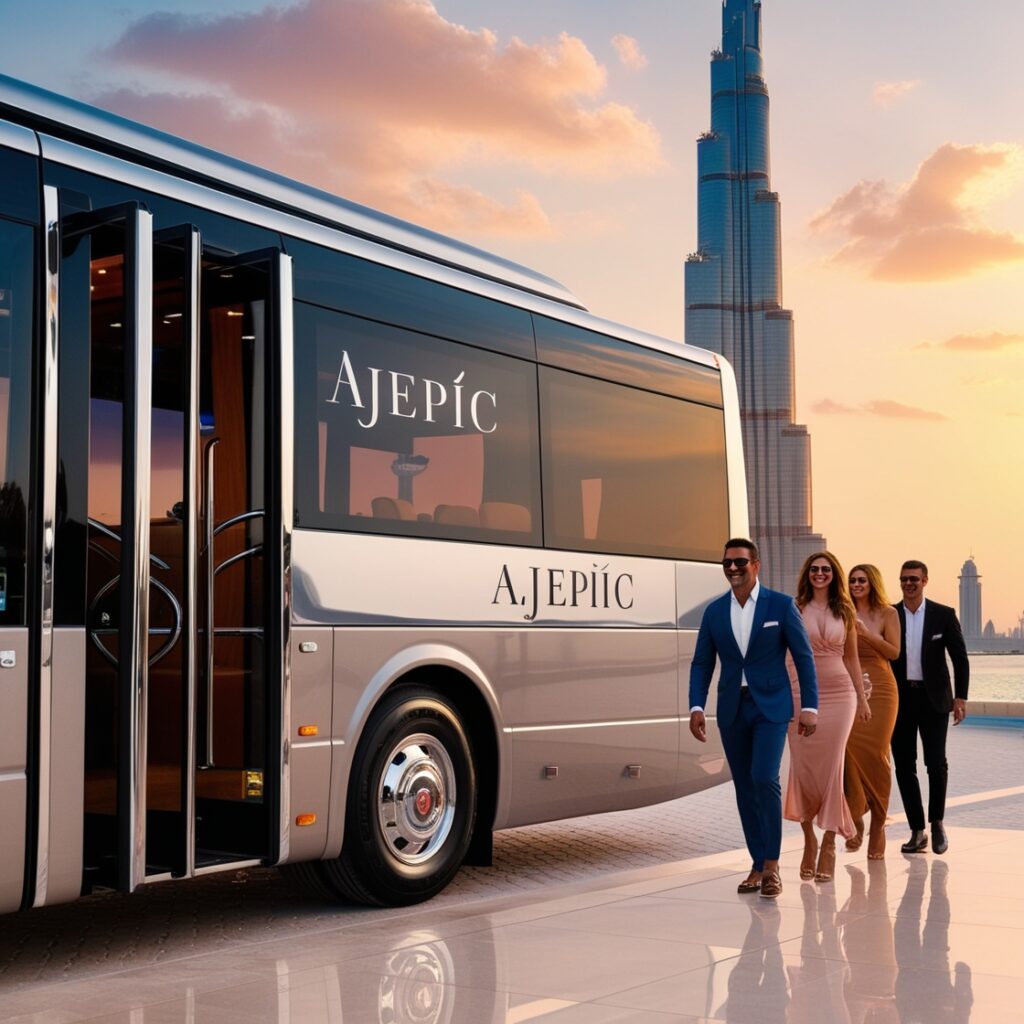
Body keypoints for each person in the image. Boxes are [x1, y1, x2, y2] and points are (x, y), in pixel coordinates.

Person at [689, 538, 818, 900]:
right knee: (744, 787)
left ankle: (773, 866)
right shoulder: (714, 612)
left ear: (756, 565)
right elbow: (702, 663)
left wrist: (811, 706)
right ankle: (757, 863)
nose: (733, 568)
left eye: (740, 562)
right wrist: (696, 706)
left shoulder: (780, 605)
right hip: (732, 708)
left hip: (771, 708)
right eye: (727, 562)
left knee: (764, 778)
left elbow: (804, 657)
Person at [784, 551, 870, 884]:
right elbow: (783, 652)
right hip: (799, 693)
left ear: (834, 575)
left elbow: (852, 658)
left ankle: (830, 842)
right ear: (807, 574)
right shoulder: (793, 608)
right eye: (815, 569)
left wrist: (861, 699)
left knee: (833, 769)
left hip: (840, 695)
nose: (821, 574)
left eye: (827, 570)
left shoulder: (845, 610)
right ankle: (808, 839)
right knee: (804, 770)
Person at [891, 560, 970, 855]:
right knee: (904, 765)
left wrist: (960, 698)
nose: (908, 584)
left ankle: (937, 823)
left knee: (935, 764)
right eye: (903, 579)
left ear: (925, 580)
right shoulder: (891, 614)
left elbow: (960, 659)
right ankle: (917, 830)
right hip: (900, 700)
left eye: (913, 579)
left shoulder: (943, 615)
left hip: (935, 699)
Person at [844, 563, 901, 859]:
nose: (856, 584)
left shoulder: (888, 613)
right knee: (848, 752)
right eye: (852, 580)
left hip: (881, 689)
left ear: (872, 582)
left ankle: (879, 822)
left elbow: (894, 652)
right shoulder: (842, 611)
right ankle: (856, 814)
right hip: (849, 687)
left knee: (878, 754)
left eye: (861, 580)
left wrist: (866, 634)